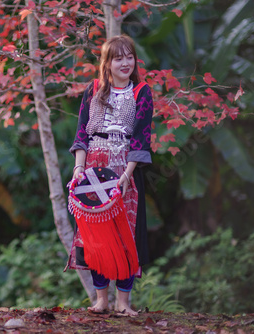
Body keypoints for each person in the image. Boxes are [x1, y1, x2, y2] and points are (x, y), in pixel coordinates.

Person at [66, 35, 153, 316]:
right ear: (107, 62)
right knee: (95, 235)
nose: (125, 62)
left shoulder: (142, 92)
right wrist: (79, 169)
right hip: (92, 167)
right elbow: (82, 133)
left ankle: (123, 303)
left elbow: (140, 139)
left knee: (125, 233)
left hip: (124, 171)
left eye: (130, 57)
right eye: (118, 58)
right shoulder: (92, 91)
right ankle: (101, 300)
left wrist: (127, 175)